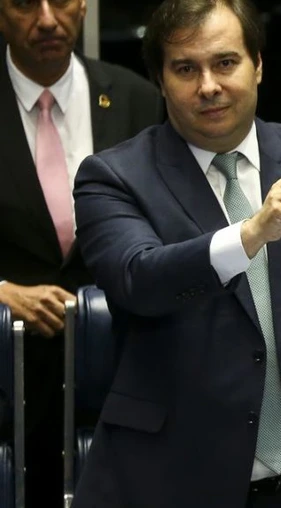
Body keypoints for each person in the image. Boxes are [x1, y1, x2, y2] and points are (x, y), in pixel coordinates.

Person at [70, 1, 281, 507]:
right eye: (185, 69)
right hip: (173, 481)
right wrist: (252, 232)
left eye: (225, 63)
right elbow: (139, 279)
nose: (208, 86)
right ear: (159, 80)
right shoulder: (112, 176)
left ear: (258, 64)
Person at [0, 0, 162, 503]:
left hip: (121, 365)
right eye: (26, 3)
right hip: (11, 372)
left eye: (62, 1)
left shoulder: (137, 97)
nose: (47, 19)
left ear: (85, 6)